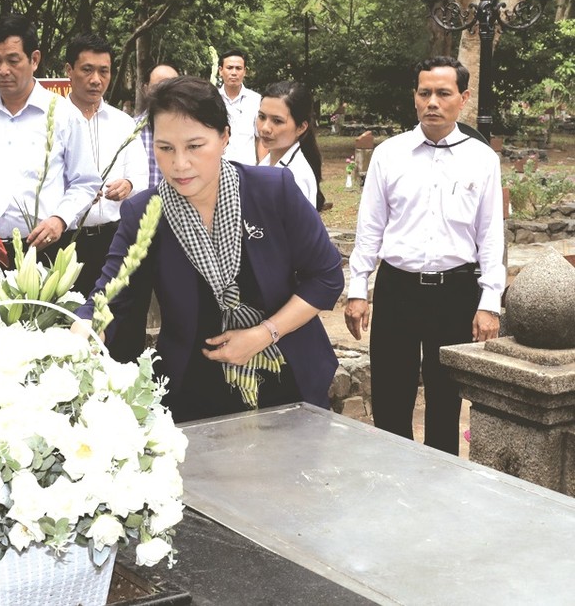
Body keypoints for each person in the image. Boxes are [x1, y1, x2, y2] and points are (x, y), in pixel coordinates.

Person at [77, 76, 344, 423]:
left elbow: (325, 276)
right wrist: (85, 323)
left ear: (224, 137)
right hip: (193, 392)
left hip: (288, 379)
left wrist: (263, 334)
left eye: (194, 146)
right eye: (165, 147)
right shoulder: (144, 213)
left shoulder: (272, 191)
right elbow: (112, 293)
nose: (179, 164)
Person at [344, 56, 504, 455]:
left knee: (446, 400)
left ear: (463, 99)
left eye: (443, 93)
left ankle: (439, 491)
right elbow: (370, 228)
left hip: (456, 291)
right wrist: (358, 289)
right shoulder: (389, 154)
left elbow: (490, 235)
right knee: (391, 397)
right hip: (398, 287)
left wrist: (489, 302)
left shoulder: (482, 159)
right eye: (424, 92)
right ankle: (394, 482)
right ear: (415, 97)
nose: (432, 101)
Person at [0, 14, 100, 266]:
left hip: (47, 249)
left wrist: (59, 219)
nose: (3, 70)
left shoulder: (64, 115)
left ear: (34, 60)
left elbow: (85, 182)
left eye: (13, 60)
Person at [64, 33, 147, 297]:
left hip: (113, 238)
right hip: (66, 239)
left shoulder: (123, 122)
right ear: (69, 70)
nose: (96, 80)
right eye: (87, 70)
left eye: (104, 71)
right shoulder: (53, 119)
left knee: (111, 316)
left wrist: (128, 184)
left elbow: (140, 174)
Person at [256, 80, 325, 211]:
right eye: (262, 117)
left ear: (301, 127)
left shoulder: (295, 176)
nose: (265, 128)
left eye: (277, 121)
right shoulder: (266, 163)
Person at [217, 48, 262, 166]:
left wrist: (262, 168)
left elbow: (261, 138)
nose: (234, 72)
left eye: (238, 68)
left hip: (248, 170)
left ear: (245, 71)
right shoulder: (212, 99)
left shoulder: (255, 100)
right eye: (229, 68)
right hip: (218, 169)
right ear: (221, 71)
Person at [137, 64, 179, 190]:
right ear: (146, 89)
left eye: (172, 86)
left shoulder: (192, 131)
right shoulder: (130, 130)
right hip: (140, 208)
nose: (165, 93)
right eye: (158, 86)